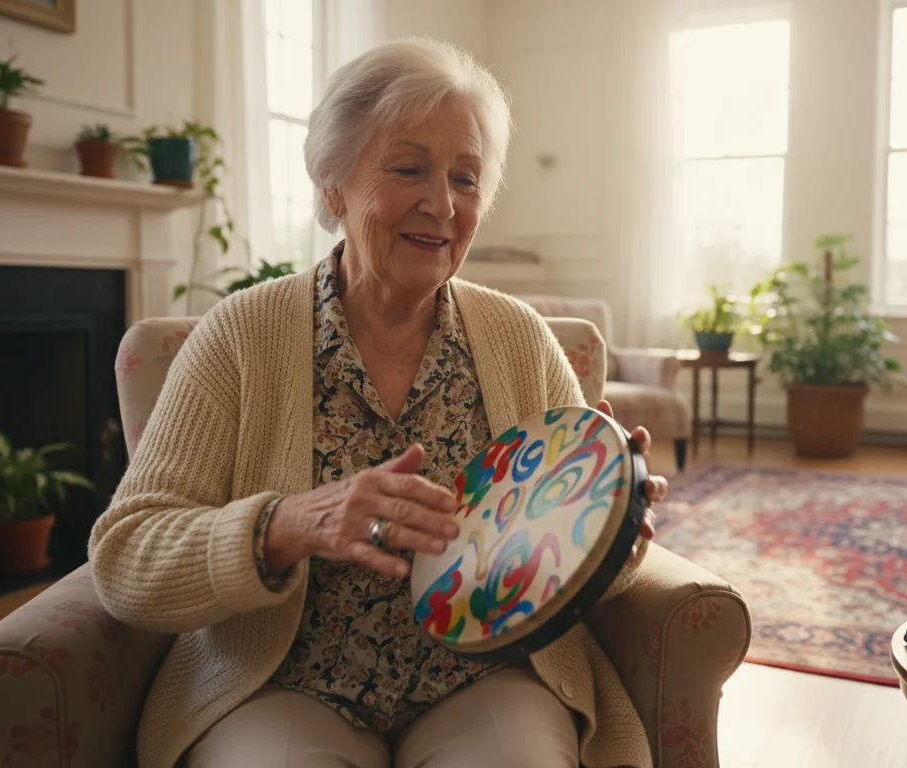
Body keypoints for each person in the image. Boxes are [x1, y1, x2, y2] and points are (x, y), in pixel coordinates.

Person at [89, 37, 670, 768]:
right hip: (284, 684)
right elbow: (125, 557)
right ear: (334, 186)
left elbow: (570, 569)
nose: (442, 204)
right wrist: (286, 525)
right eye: (409, 168)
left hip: (486, 679)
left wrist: (615, 522)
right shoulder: (240, 336)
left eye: (466, 178)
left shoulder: (518, 339)